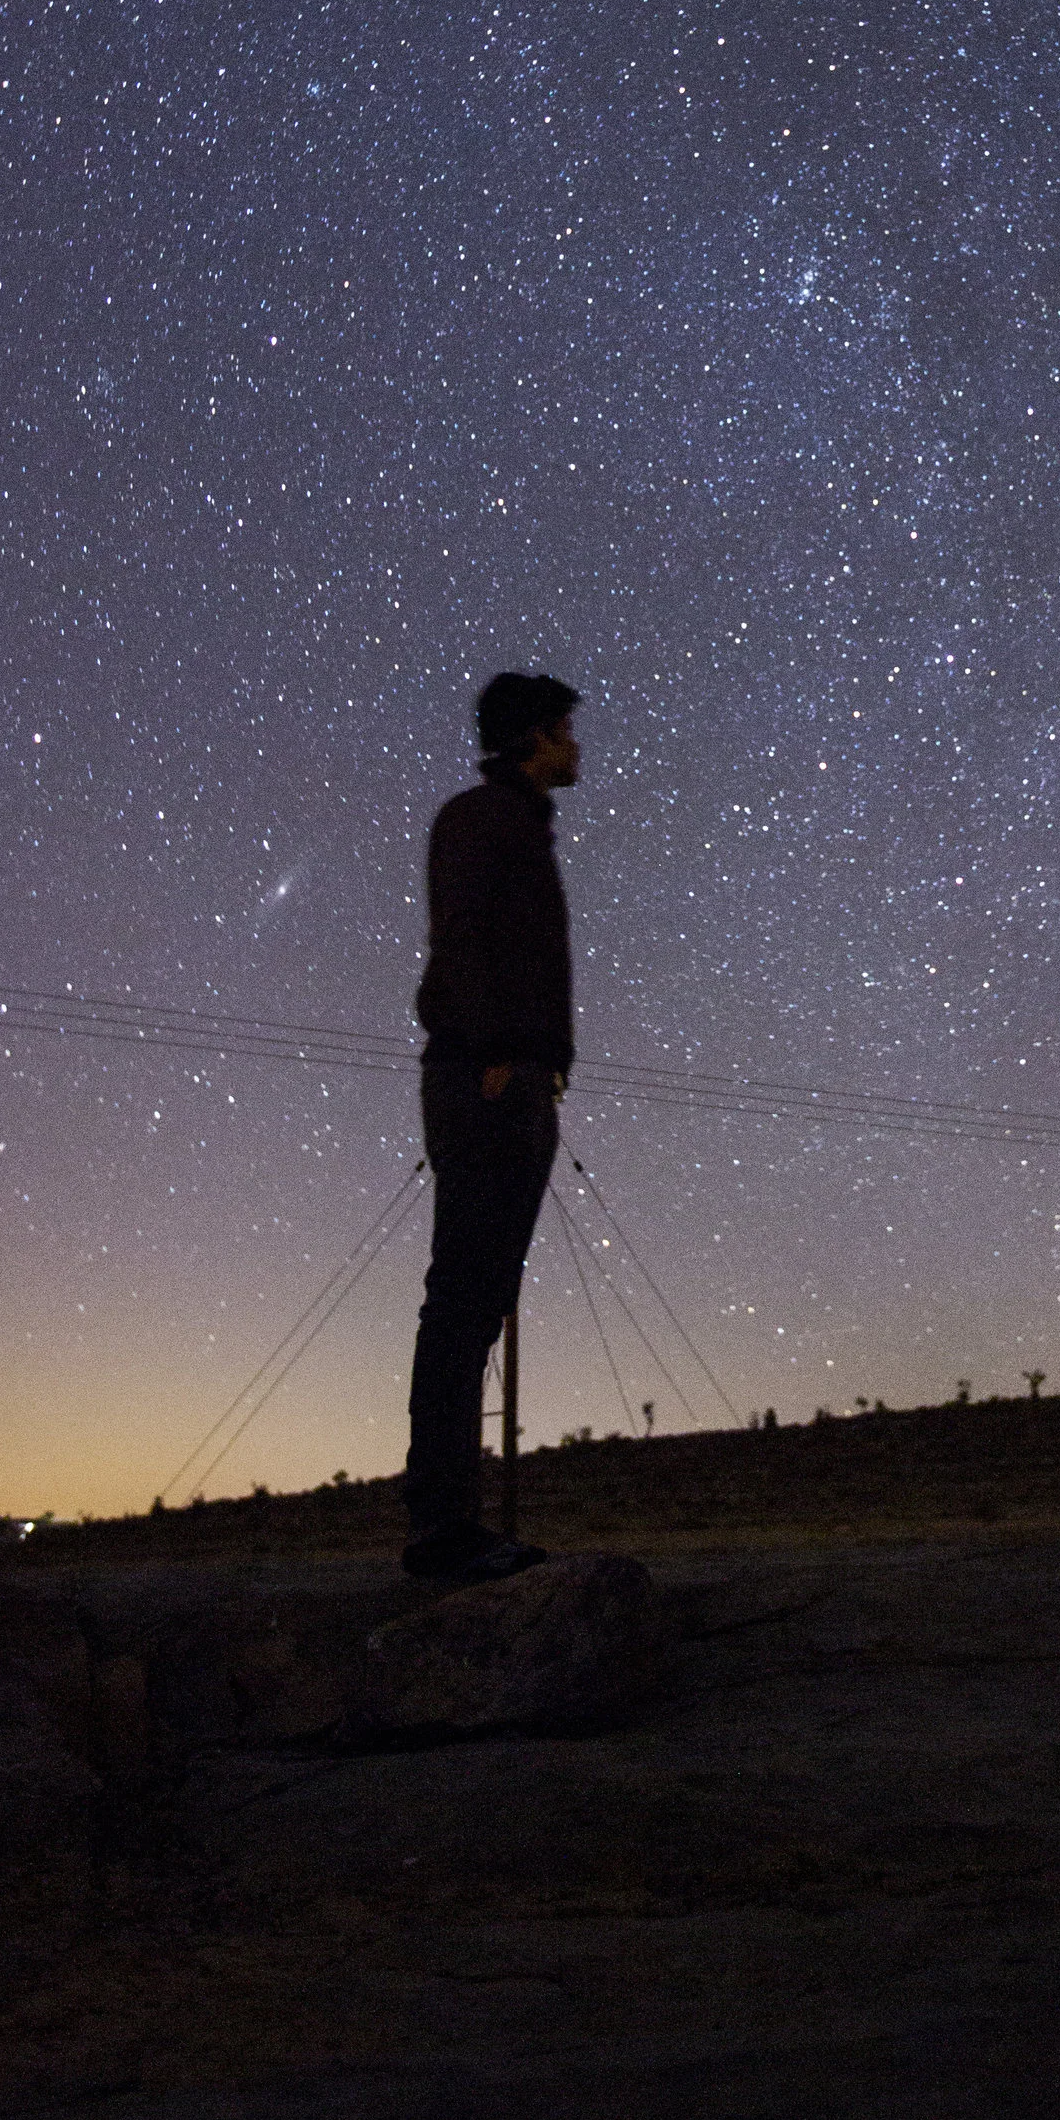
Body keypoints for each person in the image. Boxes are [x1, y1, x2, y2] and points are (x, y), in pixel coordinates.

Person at [400, 670, 581, 1581]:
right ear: (534, 738)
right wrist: (492, 1053)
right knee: (464, 1299)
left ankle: (451, 1523)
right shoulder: (480, 820)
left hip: (513, 1082)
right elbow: (460, 940)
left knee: (477, 1303)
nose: (578, 748)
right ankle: (441, 1530)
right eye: (566, 732)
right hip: (486, 1081)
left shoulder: (518, 825)